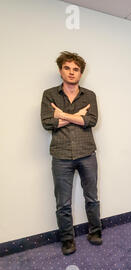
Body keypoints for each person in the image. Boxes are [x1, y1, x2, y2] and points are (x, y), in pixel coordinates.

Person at [41, 51, 102, 255]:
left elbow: (91, 120)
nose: (71, 72)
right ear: (61, 70)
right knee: (63, 202)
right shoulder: (49, 95)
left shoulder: (90, 95)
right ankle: (67, 240)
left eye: (76, 69)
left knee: (92, 197)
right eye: (67, 68)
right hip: (61, 156)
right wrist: (77, 116)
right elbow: (48, 123)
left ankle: (95, 232)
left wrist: (63, 115)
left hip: (87, 153)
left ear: (81, 73)